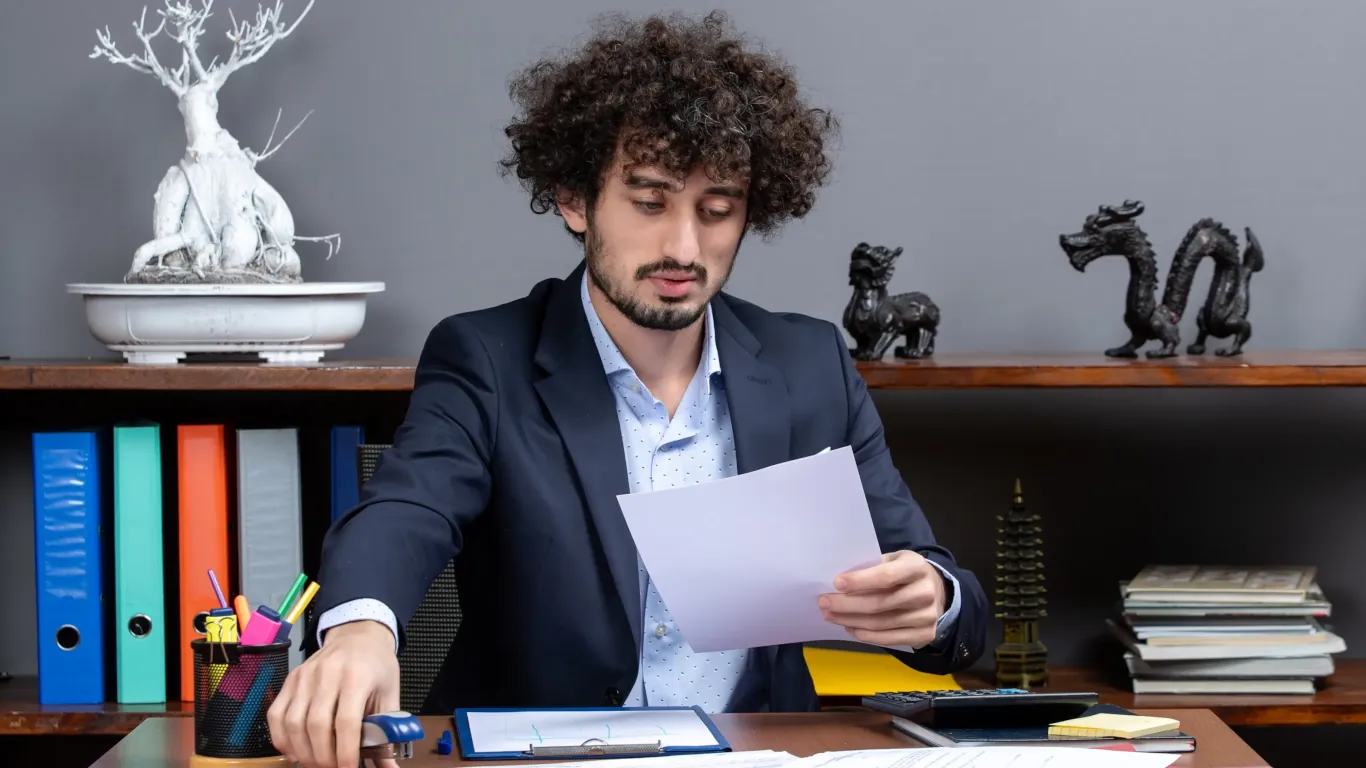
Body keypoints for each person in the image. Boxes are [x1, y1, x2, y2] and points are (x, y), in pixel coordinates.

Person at [268, 11, 987, 768]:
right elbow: (405, 508)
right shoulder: (486, 356)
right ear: (576, 200)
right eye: (649, 202)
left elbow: (954, 606)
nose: (684, 246)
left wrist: (932, 602)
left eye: (717, 211)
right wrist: (357, 632)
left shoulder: (809, 362)